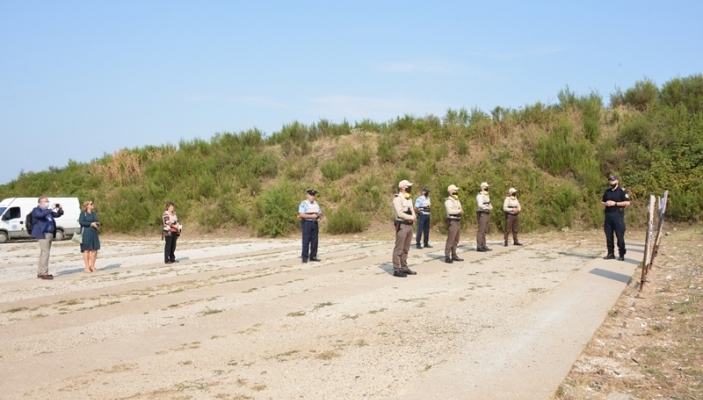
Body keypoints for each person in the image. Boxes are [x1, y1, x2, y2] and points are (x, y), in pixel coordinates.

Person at [30, 196, 64, 280]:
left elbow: (58, 215)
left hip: (50, 233)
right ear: (41, 202)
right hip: (43, 234)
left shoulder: (48, 211)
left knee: (43, 253)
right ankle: (44, 273)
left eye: (48, 201)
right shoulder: (36, 210)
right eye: (46, 201)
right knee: (45, 253)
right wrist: (50, 209)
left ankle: (40, 272)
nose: (48, 202)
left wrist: (60, 209)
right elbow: (40, 215)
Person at [601, 175, 630, 261]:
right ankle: (610, 253)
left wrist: (615, 203)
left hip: (617, 215)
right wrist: (606, 203)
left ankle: (621, 254)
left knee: (619, 235)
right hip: (608, 215)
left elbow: (627, 203)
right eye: (610, 180)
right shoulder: (607, 191)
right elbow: (602, 202)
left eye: (613, 180)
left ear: (617, 181)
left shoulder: (622, 191)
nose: (611, 182)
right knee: (609, 235)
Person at [391, 180, 417, 277]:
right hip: (402, 225)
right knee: (399, 249)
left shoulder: (408, 198)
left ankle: (404, 267)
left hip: (409, 225)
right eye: (408, 186)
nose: (409, 187)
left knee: (406, 249)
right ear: (402, 187)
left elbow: (411, 209)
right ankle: (396, 269)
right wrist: (411, 217)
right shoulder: (397, 199)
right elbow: (400, 213)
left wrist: (414, 217)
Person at [298, 189, 323, 263]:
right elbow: (301, 214)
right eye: (311, 195)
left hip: (314, 223)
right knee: (306, 240)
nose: (312, 197)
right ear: (307, 195)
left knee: (314, 241)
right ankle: (304, 257)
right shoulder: (304, 203)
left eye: (313, 195)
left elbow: (319, 212)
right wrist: (312, 216)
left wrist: (320, 215)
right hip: (307, 223)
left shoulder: (316, 204)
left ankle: (313, 256)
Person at [78, 200, 101, 272]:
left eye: (92, 203)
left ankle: (92, 266)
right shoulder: (83, 213)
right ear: (87, 205)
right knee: (86, 250)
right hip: (86, 232)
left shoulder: (94, 213)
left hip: (93, 232)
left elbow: (96, 220)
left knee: (95, 249)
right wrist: (91, 224)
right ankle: (87, 267)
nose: (92, 205)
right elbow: (81, 222)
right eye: (91, 204)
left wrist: (97, 224)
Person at [444, 184, 464, 263]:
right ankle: (447, 256)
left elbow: (460, 208)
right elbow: (450, 211)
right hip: (452, 220)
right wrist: (459, 211)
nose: (456, 192)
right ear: (450, 191)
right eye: (455, 190)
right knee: (451, 239)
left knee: (456, 239)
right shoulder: (448, 201)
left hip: (458, 220)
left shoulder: (457, 200)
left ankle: (454, 254)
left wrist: (459, 211)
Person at [476, 182, 493, 252]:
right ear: (482, 187)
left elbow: (488, 202)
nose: (487, 188)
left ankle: (484, 245)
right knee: (481, 230)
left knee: (485, 230)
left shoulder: (486, 195)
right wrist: (487, 207)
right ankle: (479, 246)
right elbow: (480, 205)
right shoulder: (480, 195)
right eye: (486, 187)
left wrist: (490, 206)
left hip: (486, 213)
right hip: (482, 213)